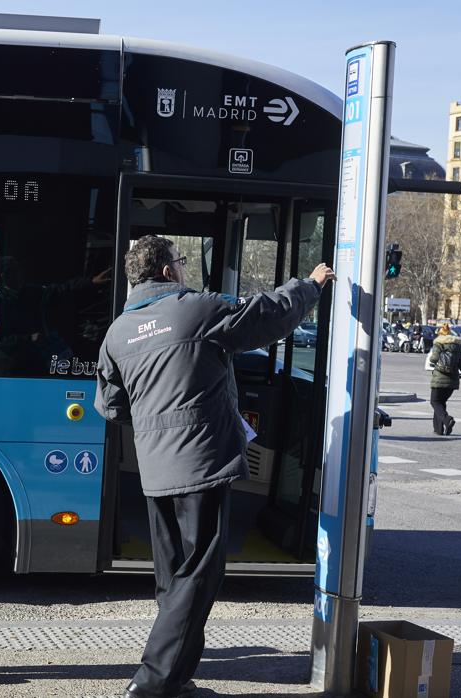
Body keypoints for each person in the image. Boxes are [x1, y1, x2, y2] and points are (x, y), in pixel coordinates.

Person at [94, 236, 333, 698]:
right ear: (167, 271)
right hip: (200, 463)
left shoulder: (117, 332)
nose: (184, 270)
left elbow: (111, 405)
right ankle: (150, 683)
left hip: (155, 471)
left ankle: (176, 678)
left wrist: (154, 422)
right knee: (200, 573)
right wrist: (310, 286)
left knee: (174, 579)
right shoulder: (195, 309)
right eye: (181, 262)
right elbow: (265, 316)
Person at [428, 322, 461, 435]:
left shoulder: (438, 344)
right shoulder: (457, 347)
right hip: (452, 382)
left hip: (439, 379)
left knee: (435, 401)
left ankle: (448, 420)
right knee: (441, 403)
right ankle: (439, 429)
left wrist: (432, 360)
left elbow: (434, 358)